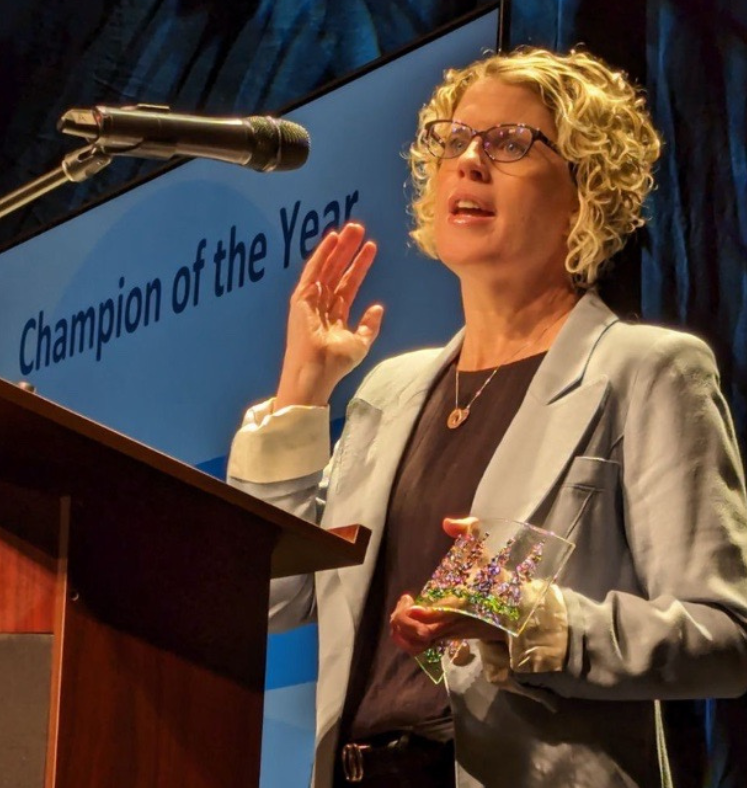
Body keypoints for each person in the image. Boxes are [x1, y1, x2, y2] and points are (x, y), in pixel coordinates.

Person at [227, 47, 747, 788]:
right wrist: (302, 392)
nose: (468, 161)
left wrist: (536, 623)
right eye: (453, 139)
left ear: (585, 191)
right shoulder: (391, 392)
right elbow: (270, 599)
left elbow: (725, 636)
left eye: (508, 143)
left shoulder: (643, 370)